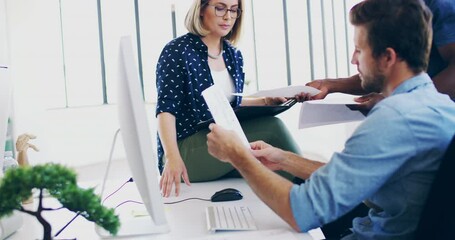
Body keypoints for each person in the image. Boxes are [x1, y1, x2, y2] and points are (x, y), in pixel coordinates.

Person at [206, 0, 455, 239]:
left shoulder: (393, 119)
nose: (353, 59)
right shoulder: (440, 107)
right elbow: (355, 178)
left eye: (360, 49)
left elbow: (300, 212)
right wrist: (283, 159)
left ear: (387, 58)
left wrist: (237, 155)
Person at [156, 0, 301, 197]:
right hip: (184, 150)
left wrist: (266, 101)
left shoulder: (233, 55)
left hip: (222, 144)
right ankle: (316, 193)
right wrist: (172, 157)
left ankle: (305, 204)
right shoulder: (177, 51)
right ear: (201, 9)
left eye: (234, 10)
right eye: (220, 8)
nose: (228, 16)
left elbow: (228, 104)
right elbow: (166, 110)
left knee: (270, 169)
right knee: (272, 127)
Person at [304, 0, 455, 107]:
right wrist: (330, 85)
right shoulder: (385, 9)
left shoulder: (440, 5)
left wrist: (397, 102)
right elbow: (385, 67)